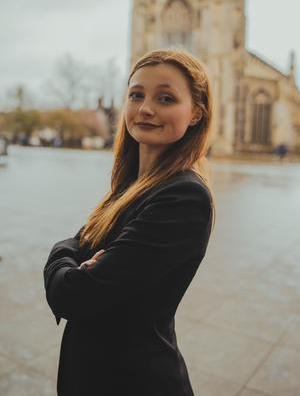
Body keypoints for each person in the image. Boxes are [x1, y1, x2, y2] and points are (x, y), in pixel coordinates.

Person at [43, 49, 216, 396]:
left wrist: (63, 258)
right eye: (136, 94)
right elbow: (78, 245)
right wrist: (72, 256)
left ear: (196, 113)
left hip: (133, 379)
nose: (146, 108)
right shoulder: (132, 184)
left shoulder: (183, 198)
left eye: (165, 98)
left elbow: (73, 294)